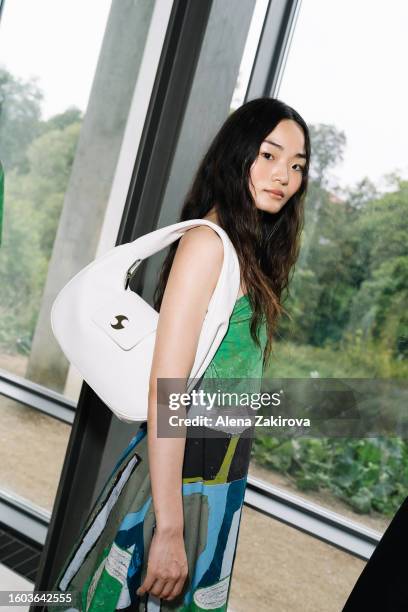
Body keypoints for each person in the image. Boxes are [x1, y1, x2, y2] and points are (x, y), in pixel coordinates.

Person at [48, 97, 311, 611]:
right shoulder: (207, 245)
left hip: (215, 480)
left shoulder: (246, 249)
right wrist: (168, 529)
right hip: (177, 485)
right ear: (237, 156)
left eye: (297, 165)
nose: (284, 174)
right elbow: (165, 393)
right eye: (269, 155)